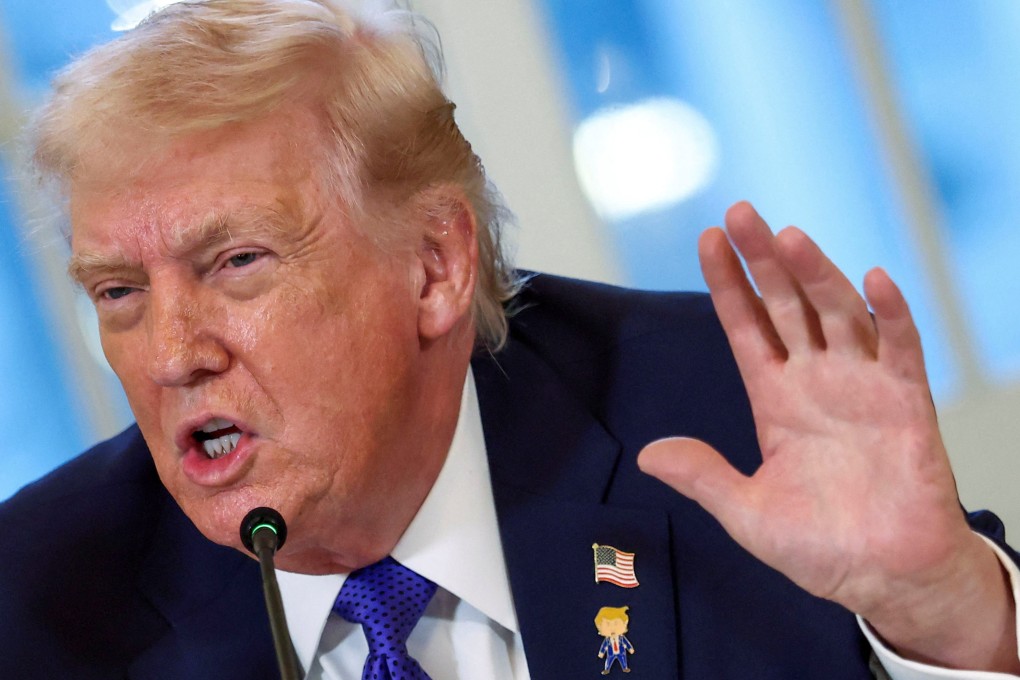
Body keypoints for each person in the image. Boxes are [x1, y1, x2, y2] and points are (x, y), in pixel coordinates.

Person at [0, 1, 1016, 678]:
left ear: (436, 264)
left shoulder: (723, 409)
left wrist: (945, 614)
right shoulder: (39, 604)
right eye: (120, 290)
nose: (172, 350)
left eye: (236, 264)